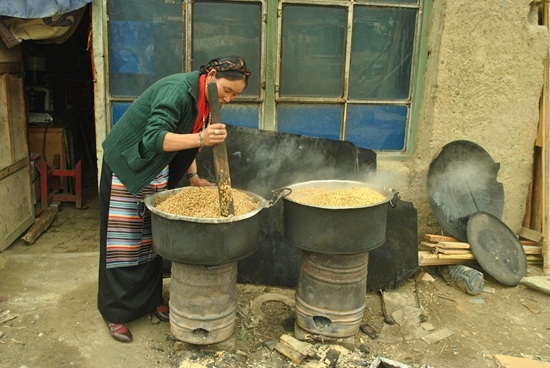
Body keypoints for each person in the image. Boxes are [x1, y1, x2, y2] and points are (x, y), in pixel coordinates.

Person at [97, 55, 251, 343]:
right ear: (213, 74)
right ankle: (115, 313)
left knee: (150, 238)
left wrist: (192, 176)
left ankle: (150, 301)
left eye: (235, 95)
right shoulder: (178, 90)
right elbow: (155, 139)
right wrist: (203, 140)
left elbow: (187, 136)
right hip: (129, 166)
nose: (229, 99)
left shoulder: (206, 98)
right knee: (124, 241)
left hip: (155, 167)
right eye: (228, 90)